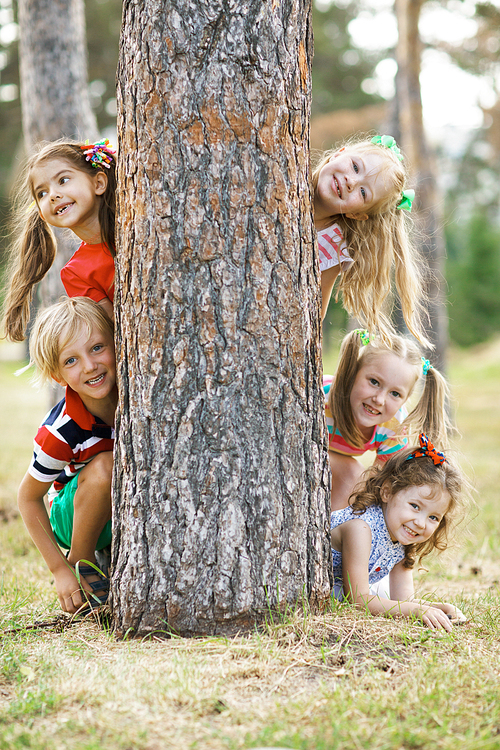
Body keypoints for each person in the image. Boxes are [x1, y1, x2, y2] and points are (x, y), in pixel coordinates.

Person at [17, 297, 117, 615]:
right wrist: (59, 569)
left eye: (97, 347)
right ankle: (82, 563)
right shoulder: (63, 431)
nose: (89, 366)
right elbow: (28, 497)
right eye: (71, 361)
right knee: (104, 466)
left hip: (115, 507)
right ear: (59, 376)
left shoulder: (140, 391)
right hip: (70, 513)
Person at [330, 435, 467, 631]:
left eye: (434, 517)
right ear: (387, 492)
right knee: (379, 594)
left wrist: (440, 609)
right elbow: (357, 600)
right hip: (318, 592)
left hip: (342, 593)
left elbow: (403, 601)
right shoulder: (360, 528)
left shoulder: (402, 540)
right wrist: (417, 611)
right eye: (414, 506)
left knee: (383, 595)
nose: (420, 523)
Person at [313, 133, 430, 347]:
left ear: (357, 214)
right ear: (340, 153)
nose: (352, 181)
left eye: (364, 192)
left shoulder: (333, 245)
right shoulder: (285, 175)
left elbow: (314, 311)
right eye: (356, 167)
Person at [2, 139, 116, 342]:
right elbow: (114, 331)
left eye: (63, 180)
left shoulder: (137, 226)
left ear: (98, 183)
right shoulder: (76, 274)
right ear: (42, 214)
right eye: (42, 193)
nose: (52, 195)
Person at [325, 328, 452, 511]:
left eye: (395, 393)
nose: (379, 400)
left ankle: (330, 528)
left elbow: (374, 482)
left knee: (359, 484)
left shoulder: (394, 427)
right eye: (374, 382)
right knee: (351, 473)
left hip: (331, 465)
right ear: (353, 373)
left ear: (405, 400)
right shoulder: (323, 396)